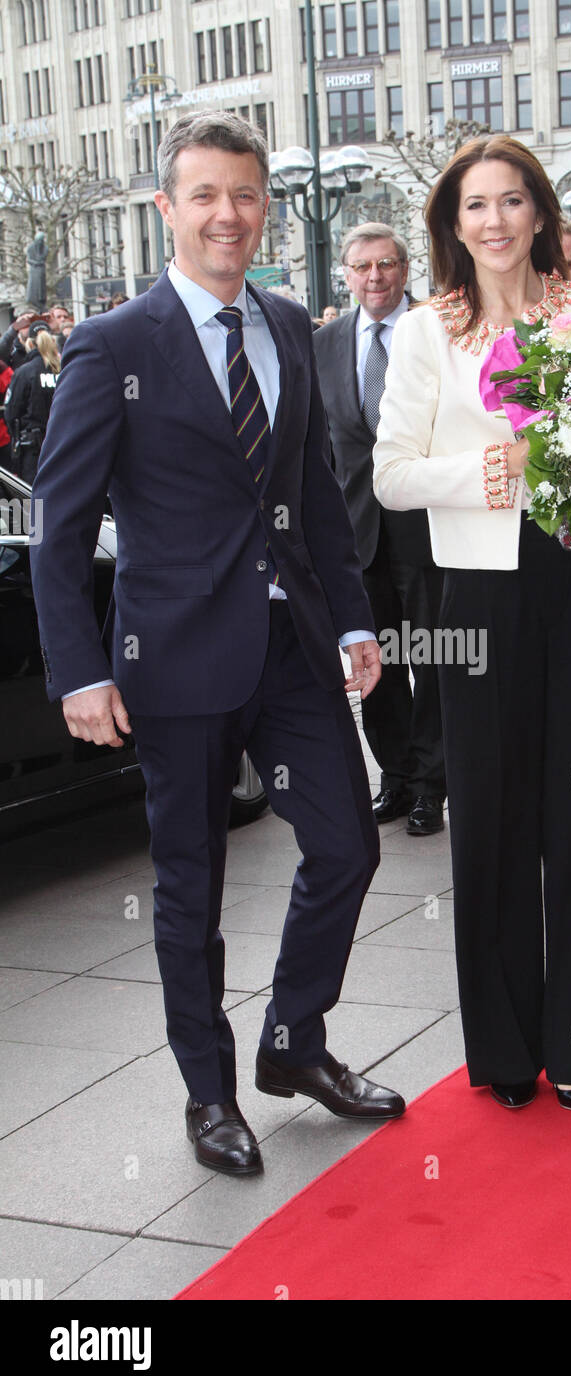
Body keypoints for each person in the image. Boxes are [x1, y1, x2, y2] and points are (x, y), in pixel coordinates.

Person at [30, 111, 405, 1180]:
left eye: (243, 195)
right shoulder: (112, 346)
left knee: (347, 844)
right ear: (168, 210)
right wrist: (81, 669)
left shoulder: (289, 325)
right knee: (190, 886)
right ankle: (209, 1091)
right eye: (204, 196)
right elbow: (61, 527)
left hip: (288, 645)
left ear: (263, 206)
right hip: (173, 661)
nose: (226, 215)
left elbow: (316, 503)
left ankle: (295, 1042)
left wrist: (349, 616)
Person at [373, 134, 571, 1114]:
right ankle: (501, 1049)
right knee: (488, 819)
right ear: (452, 223)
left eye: (509, 200)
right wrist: (475, 475)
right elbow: (389, 472)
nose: (492, 220)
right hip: (479, 590)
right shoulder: (423, 332)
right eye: (472, 205)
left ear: (538, 214)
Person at [315, 223, 446, 834]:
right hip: (357, 535)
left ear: (405, 268)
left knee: (433, 656)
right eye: (362, 266)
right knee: (375, 663)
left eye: (386, 265)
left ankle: (431, 785)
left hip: (427, 529)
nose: (374, 277)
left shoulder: (436, 331)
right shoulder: (325, 344)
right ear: (346, 272)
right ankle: (394, 776)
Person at [4, 318, 59, 485]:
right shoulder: (64, 370)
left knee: (34, 497)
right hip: (61, 444)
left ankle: (40, 513)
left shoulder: (25, 372)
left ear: (29, 343)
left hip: (33, 450)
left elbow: (11, 412)